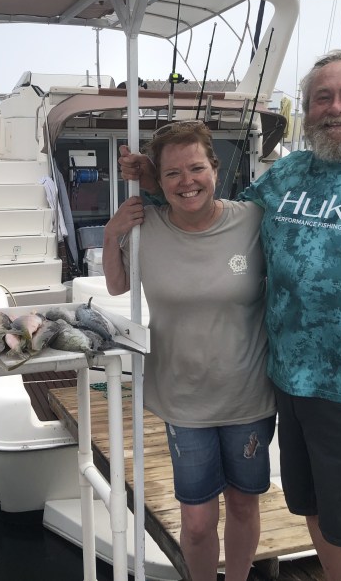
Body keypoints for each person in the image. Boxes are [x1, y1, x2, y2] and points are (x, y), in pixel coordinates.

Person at [120, 50, 341, 581]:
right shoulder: (286, 177)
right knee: (315, 518)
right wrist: (158, 182)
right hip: (287, 387)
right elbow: (215, 216)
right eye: (321, 98)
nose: (335, 109)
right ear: (305, 111)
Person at [104, 120, 276, 581]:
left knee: (243, 504)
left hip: (249, 396)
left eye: (196, 168)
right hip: (183, 398)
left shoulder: (254, 220)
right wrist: (111, 232)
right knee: (198, 523)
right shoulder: (146, 225)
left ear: (215, 169)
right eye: (173, 174)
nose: (187, 182)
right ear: (158, 182)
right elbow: (118, 286)